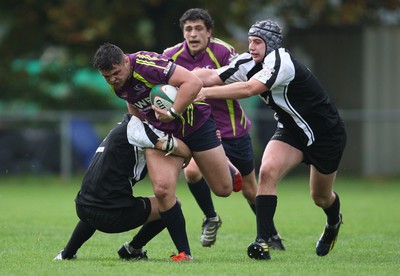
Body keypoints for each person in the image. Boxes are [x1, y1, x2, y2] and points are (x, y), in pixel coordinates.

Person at [194, 19, 346, 260]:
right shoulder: (248, 61)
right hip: (291, 131)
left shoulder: (281, 62)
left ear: (271, 44)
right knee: (267, 171)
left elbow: (248, 89)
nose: (251, 46)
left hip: (325, 134)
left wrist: (203, 93)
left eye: (257, 42)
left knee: (321, 197)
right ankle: (262, 241)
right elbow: (211, 76)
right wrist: (177, 76)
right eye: (250, 41)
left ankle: (333, 222)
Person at [93, 43, 242, 261]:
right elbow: (133, 105)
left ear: (126, 61)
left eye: (116, 73)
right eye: (107, 77)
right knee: (162, 190)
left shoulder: (147, 65)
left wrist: (173, 111)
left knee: (223, 189)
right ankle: (185, 253)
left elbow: (194, 82)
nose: (113, 79)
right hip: (163, 133)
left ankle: (224, 162)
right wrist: (146, 134)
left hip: (196, 125)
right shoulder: (117, 83)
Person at [163, 8, 285, 250]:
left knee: (251, 190)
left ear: (209, 32)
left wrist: (204, 84)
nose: (193, 34)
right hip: (199, 132)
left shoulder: (224, 51)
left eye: (199, 29)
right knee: (192, 173)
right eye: (188, 29)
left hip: (233, 132)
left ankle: (271, 235)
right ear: (183, 32)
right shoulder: (170, 56)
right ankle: (211, 217)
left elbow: (241, 80)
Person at [53, 114, 192, 261]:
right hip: (112, 216)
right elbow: (174, 146)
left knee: (97, 201)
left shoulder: (122, 127)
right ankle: (133, 249)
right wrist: (192, 150)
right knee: (171, 204)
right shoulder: (140, 131)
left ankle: (66, 254)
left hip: (82, 207)